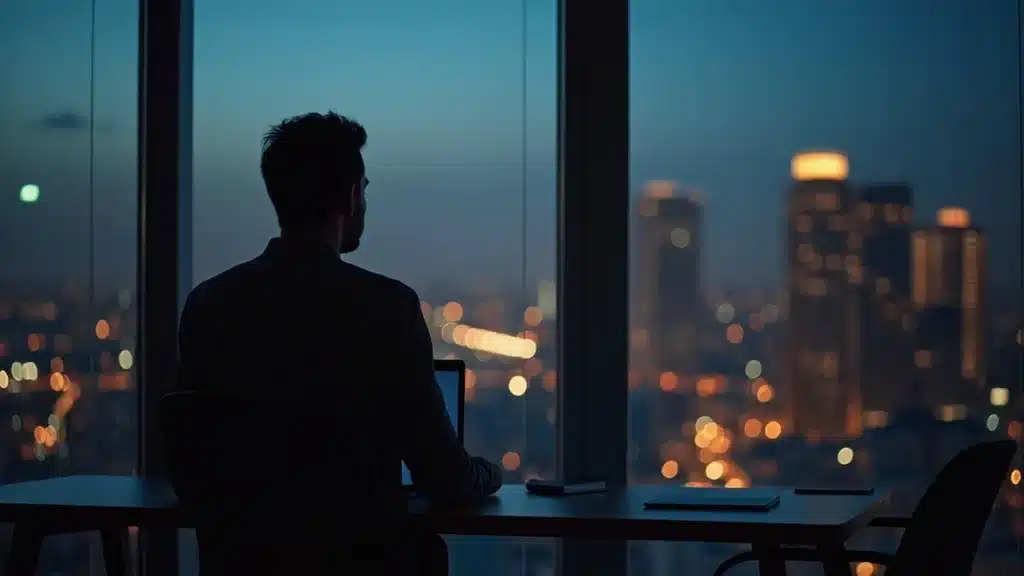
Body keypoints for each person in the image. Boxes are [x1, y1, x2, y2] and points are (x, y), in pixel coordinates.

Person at [176, 112, 503, 574]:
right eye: (365, 189)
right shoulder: (387, 308)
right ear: (350, 197)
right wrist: (493, 473)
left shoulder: (207, 305)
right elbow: (445, 476)